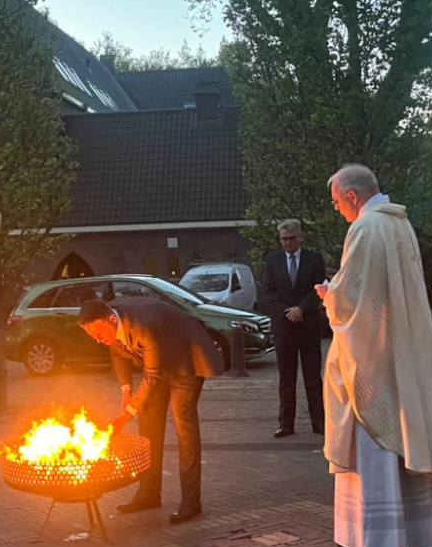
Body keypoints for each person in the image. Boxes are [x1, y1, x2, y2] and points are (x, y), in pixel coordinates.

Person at [317, 164, 432, 547]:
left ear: (352, 195)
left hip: (376, 358)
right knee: (405, 430)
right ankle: (417, 531)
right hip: (402, 347)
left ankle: (379, 537)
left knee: (376, 442)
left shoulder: (365, 228)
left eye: (336, 202)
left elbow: (356, 302)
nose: (337, 210)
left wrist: (330, 295)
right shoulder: (400, 224)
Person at [78, 297, 224, 524]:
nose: (98, 340)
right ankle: (148, 494)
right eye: (93, 336)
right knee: (148, 421)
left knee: (182, 423)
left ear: (112, 318)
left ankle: (191, 502)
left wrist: (126, 413)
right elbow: (115, 349)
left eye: (100, 333)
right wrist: (126, 390)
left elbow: (152, 377)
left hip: (185, 356)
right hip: (158, 361)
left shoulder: (144, 325)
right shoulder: (109, 321)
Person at [260, 219, 327, 438]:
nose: (288, 243)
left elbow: (319, 287)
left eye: (291, 239)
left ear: (300, 237)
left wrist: (301, 309)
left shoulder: (314, 259)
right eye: (284, 239)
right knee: (286, 379)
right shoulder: (272, 261)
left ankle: (319, 421)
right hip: (284, 327)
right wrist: (288, 311)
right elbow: (268, 291)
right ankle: (286, 423)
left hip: (308, 326)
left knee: (313, 377)